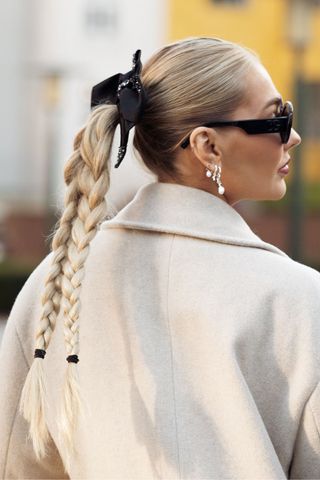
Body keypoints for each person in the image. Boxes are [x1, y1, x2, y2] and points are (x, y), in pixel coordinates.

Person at [0, 37, 319, 480]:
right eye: (277, 119)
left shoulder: (58, 282)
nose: (295, 137)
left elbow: (21, 463)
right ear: (208, 146)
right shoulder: (300, 298)